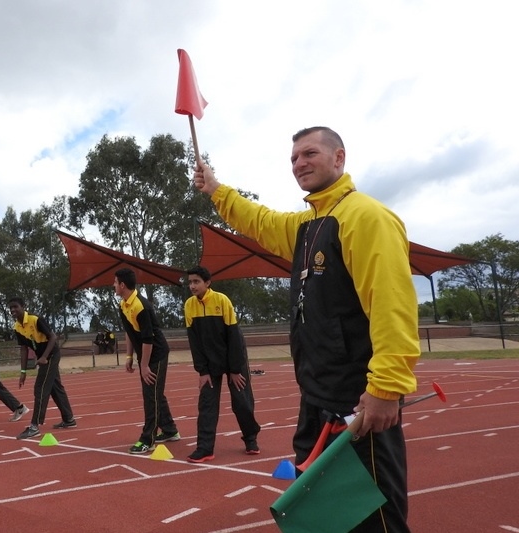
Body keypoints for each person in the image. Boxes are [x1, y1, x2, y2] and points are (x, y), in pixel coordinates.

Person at [193, 126, 420, 531]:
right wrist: (216, 190)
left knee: (372, 519)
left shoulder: (366, 217)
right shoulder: (309, 224)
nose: (299, 163)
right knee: (325, 517)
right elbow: (260, 221)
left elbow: (393, 306)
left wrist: (386, 388)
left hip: (359, 403)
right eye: (294, 158)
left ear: (339, 158)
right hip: (316, 397)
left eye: (309, 154)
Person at [183, 266, 261, 463]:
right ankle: (205, 448)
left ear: (207, 283)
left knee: (241, 401)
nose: (192, 286)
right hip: (209, 362)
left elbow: (234, 337)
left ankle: (251, 438)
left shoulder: (222, 301)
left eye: (196, 282)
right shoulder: (189, 306)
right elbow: (195, 343)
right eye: (190, 282)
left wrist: (235, 369)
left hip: (233, 356)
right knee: (207, 404)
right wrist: (203, 371)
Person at [114, 267, 179, 454]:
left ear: (122, 285)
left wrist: (144, 366)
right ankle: (170, 430)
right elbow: (129, 332)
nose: (114, 286)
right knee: (155, 392)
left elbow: (148, 339)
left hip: (156, 354)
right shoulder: (123, 305)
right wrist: (129, 357)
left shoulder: (140, 306)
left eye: (115, 282)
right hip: (145, 353)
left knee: (151, 396)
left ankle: (147, 439)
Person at [8, 297, 75, 440]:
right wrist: (23, 371)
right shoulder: (17, 327)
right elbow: (24, 349)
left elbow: (52, 337)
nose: (13, 310)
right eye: (11, 308)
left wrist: (44, 357)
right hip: (42, 357)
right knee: (55, 388)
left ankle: (34, 426)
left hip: (51, 354)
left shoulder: (35, 319)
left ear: (23, 306)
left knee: (40, 388)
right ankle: (69, 419)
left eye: (15, 307)